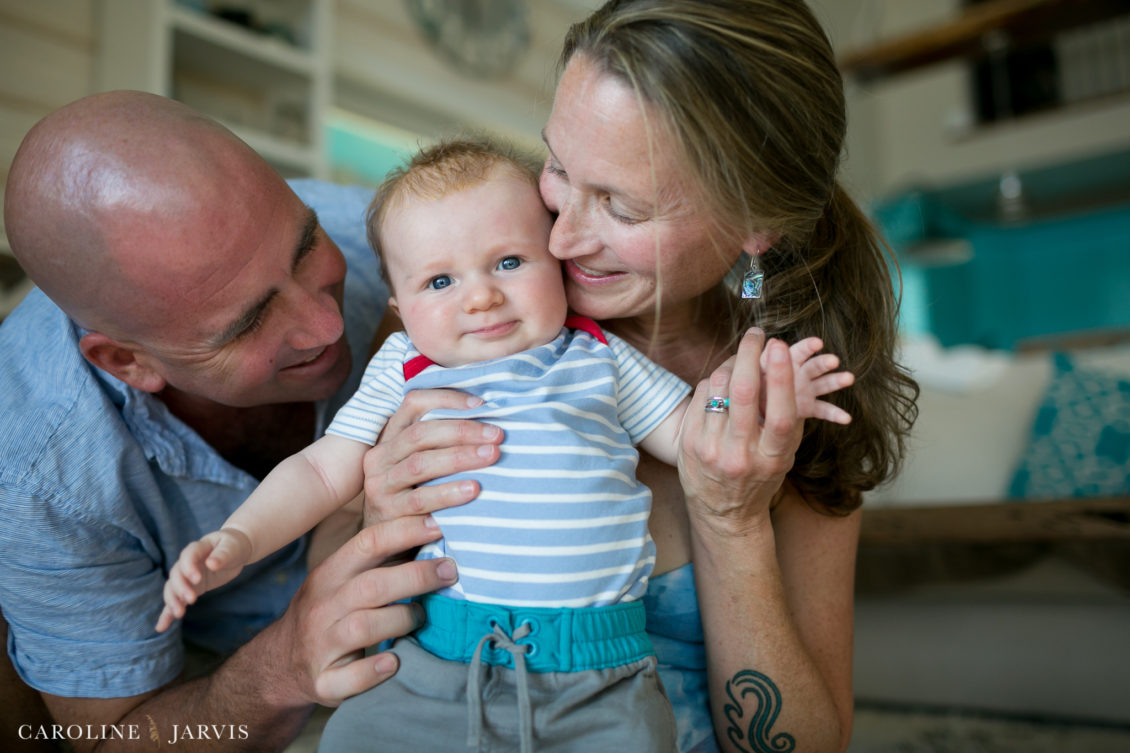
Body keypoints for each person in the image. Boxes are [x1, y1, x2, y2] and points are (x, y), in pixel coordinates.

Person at [158, 137, 854, 753]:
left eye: (509, 262)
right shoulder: (403, 367)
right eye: (440, 280)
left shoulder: (596, 357)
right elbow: (321, 468)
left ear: (554, 261)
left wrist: (764, 394)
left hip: (603, 674)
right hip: (439, 660)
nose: (481, 297)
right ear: (401, 305)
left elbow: (697, 434)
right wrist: (240, 539)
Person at [359, 2, 920, 753]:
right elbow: (335, 631)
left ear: (753, 223)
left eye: (620, 205)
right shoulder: (460, 317)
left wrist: (732, 520)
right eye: (557, 166)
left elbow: (807, 745)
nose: (558, 235)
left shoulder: (799, 394)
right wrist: (378, 514)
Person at [0, 91, 462, 753]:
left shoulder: (389, 236)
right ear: (128, 361)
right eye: (249, 322)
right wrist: (284, 664)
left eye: (306, 249)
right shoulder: (37, 475)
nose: (328, 326)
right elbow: (113, 740)